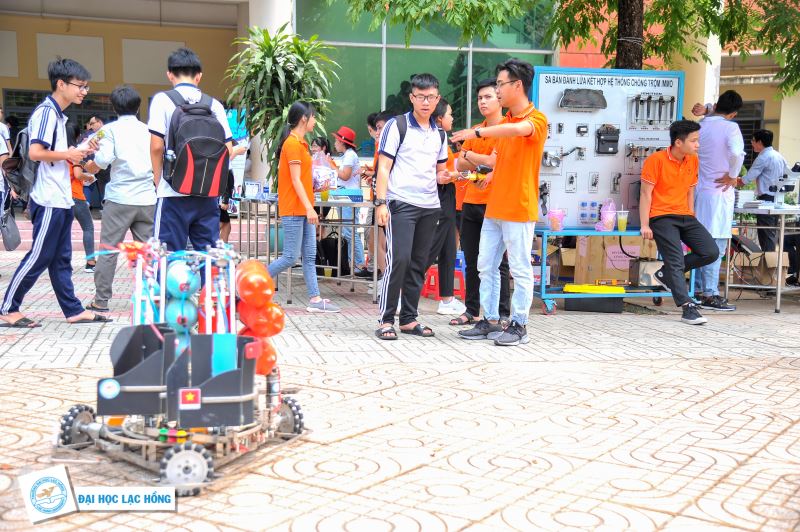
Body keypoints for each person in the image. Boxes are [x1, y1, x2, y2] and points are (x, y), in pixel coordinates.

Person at [0, 58, 111, 328]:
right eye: (80, 86)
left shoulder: (58, 116)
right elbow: (36, 152)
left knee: (61, 259)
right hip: (48, 198)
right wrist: (69, 154)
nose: (84, 91)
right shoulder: (46, 113)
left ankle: (73, 310)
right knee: (40, 255)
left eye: (86, 86)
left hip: (61, 198)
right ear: (61, 84)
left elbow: (55, 155)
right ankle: (8, 309)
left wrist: (78, 152)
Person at [451, 59, 548, 346]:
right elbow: (496, 160)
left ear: (517, 85)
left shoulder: (536, 120)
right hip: (495, 206)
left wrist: (476, 133)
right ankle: (490, 319)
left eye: (500, 85)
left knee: (519, 267)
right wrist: (485, 172)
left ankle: (519, 325)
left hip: (518, 206)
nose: (497, 90)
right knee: (485, 265)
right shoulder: (505, 122)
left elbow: (518, 132)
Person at [374, 73, 449, 340]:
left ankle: (408, 318)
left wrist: (450, 175)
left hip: (430, 206)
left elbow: (440, 172)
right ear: (412, 97)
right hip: (401, 203)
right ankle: (386, 319)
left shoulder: (440, 134)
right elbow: (384, 167)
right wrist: (381, 203)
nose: (425, 102)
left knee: (418, 263)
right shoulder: (397, 126)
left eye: (430, 97)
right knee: (399, 259)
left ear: (437, 99)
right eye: (420, 97)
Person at [148, 47, 234, 252]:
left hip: (172, 192)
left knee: (167, 256)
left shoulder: (162, 100)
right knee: (208, 256)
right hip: (207, 194)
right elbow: (228, 149)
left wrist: (158, 180)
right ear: (199, 76)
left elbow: (156, 146)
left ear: (170, 74)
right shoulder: (214, 105)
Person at [83, 85, 157, 312]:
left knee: (108, 251)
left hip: (119, 199)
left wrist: (90, 165)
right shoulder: (150, 130)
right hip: (147, 198)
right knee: (147, 252)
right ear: (138, 107)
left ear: (114, 107)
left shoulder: (110, 130)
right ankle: (150, 298)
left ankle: (101, 300)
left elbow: (103, 160)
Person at [639, 120, 720, 325]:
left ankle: (666, 274)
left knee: (711, 252)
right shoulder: (655, 160)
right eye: (693, 141)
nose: (697, 145)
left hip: (686, 215)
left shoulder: (692, 160)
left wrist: (691, 215)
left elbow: (690, 191)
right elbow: (645, 194)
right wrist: (645, 224)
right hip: (662, 217)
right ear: (678, 142)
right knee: (675, 260)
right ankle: (687, 307)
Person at [268, 102, 340, 313]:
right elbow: (295, 180)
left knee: (308, 256)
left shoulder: (301, 144)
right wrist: (309, 208)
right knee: (290, 257)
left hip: (304, 207)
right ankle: (249, 283)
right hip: (295, 208)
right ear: (304, 119)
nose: (315, 121)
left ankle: (315, 299)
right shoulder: (292, 144)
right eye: (313, 117)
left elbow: (302, 179)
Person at [452, 77, 511, 327]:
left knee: (499, 263)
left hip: (496, 204)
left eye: (488, 97)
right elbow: (460, 164)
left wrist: (470, 155)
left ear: (500, 99)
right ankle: (472, 310)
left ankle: (502, 313)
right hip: (471, 202)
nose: (483, 102)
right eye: (479, 98)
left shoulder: (509, 129)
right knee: (473, 260)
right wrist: (478, 161)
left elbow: (495, 163)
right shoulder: (475, 130)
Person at [690, 90, 744, 312]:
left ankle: (699, 289)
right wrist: (733, 176)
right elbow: (737, 154)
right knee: (716, 246)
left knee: (700, 244)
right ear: (733, 113)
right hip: (720, 193)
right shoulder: (731, 128)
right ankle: (710, 294)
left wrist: (707, 109)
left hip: (699, 192)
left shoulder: (701, 126)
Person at [423, 98, 466, 316]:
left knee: (449, 248)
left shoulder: (442, 139)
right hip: (439, 196)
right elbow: (442, 173)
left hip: (449, 196)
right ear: (440, 118)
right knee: (430, 249)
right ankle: (402, 293)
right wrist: (464, 173)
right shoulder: (435, 137)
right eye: (450, 114)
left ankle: (447, 299)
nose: (453, 118)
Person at [733, 130, 789, 252]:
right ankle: (770, 261)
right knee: (771, 234)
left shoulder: (763, 157)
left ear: (760, 142)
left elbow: (748, 178)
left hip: (766, 200)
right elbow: (788, 175)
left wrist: (732, 180)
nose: (751, 143)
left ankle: (768, 263)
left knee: (766, 236)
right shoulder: (779, 156)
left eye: (753, 140)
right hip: (778, 199)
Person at [359, 111, 392, 283]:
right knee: (376, 240)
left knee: (380, 242)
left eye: (379, 128)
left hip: (386, 201)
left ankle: (386, 278)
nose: (376, 133)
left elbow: (385, 173)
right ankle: (384, 277)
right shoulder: (380, 147)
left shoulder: (388, 148)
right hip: (380, 200)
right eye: (375, 129)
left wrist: (373, 174)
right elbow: (381, 172)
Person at [332, 126, 367, 273]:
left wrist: (331, 165)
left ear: (342, 142)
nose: (335, 143)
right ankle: (352, 264)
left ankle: (360, 264)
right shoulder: (347, 155)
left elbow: (345, 176)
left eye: (336, 141)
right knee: (347, 231)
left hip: (349, 197)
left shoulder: (350, 155)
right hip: (345, 196)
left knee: (349, 232)